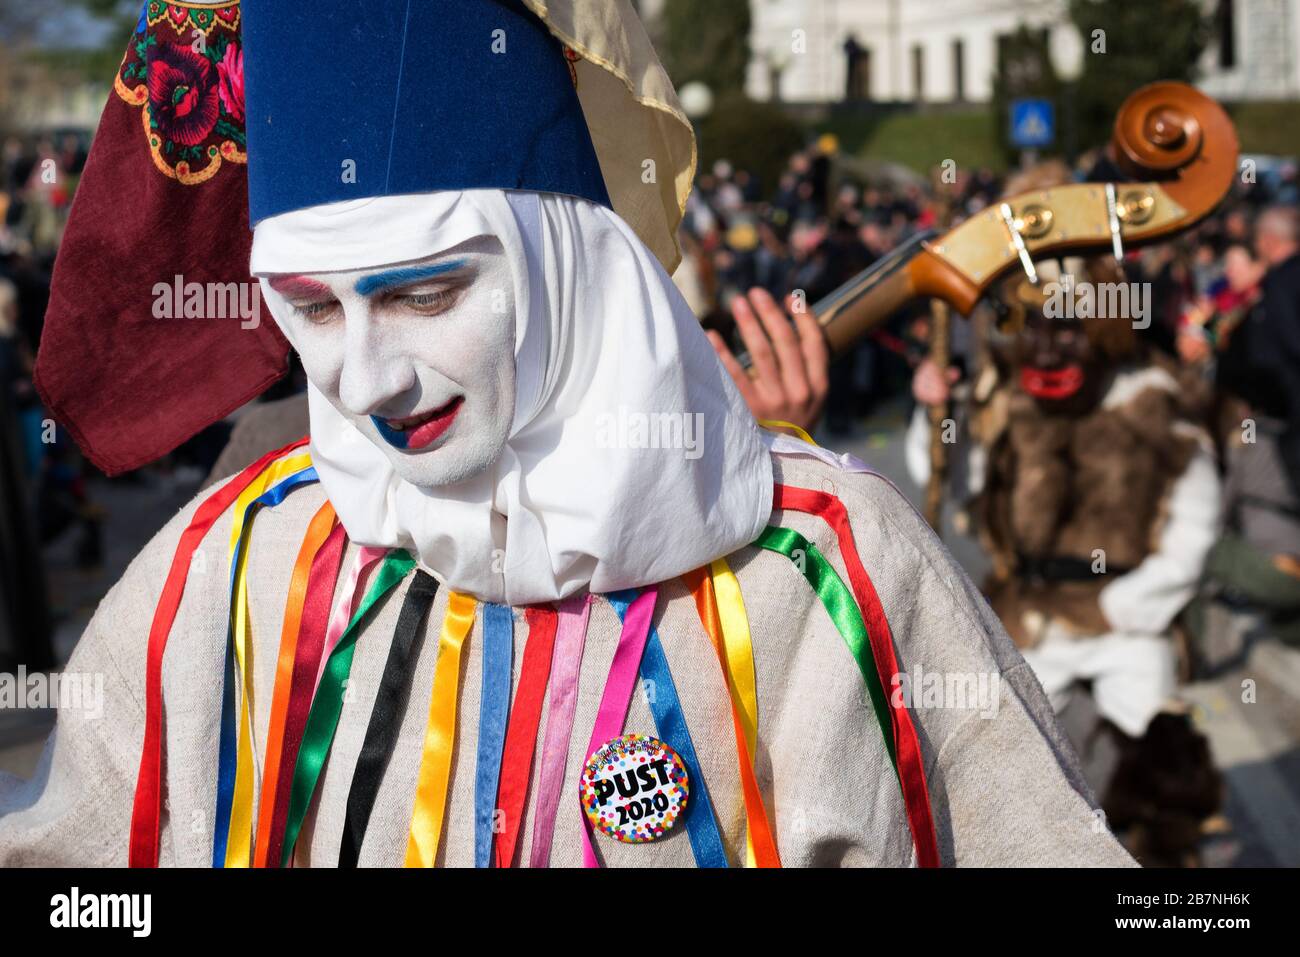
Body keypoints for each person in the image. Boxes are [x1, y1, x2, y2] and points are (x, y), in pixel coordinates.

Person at [1, 0, 1130, 868]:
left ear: (566, 263)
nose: (364, 378)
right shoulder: (223, 566)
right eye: (309, 308)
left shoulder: (837, 564)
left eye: (425, 295)